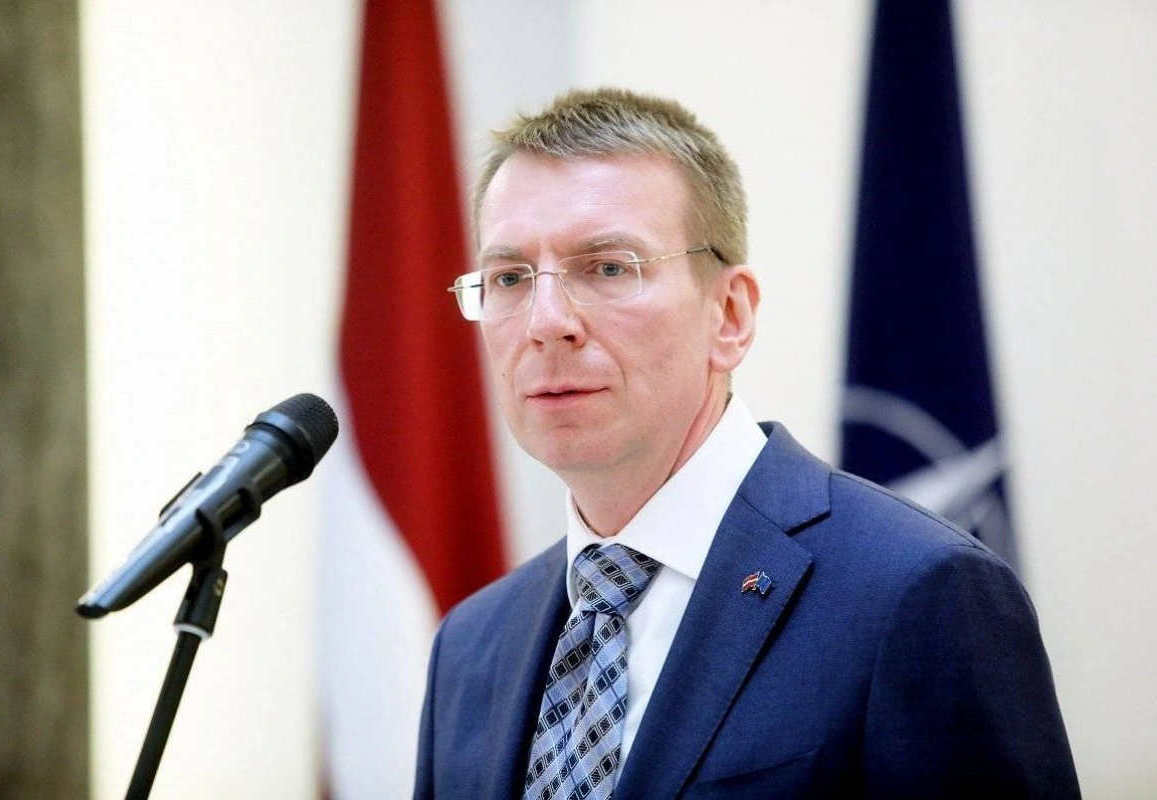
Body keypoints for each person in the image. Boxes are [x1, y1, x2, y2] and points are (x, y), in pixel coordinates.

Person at [414, 87, 1078, 799]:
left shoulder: (917, 592)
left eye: (608, 267)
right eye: (509, 278)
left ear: (729, 316)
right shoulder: (471, 644)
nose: (547, 322)